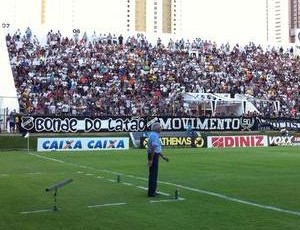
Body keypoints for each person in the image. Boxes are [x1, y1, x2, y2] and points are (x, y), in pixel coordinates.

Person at [147, 122, 169, 197]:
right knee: (153, 174)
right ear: (156, 128)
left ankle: (153, 190)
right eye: (160, 127)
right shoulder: (154, 135)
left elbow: (157, 149)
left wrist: (163, 157)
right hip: (153, 155)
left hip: (154, 155)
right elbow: (153, 148)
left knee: (153, 174)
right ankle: (151, 192)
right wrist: (151, 160)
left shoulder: (154, 135)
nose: (161, 128)